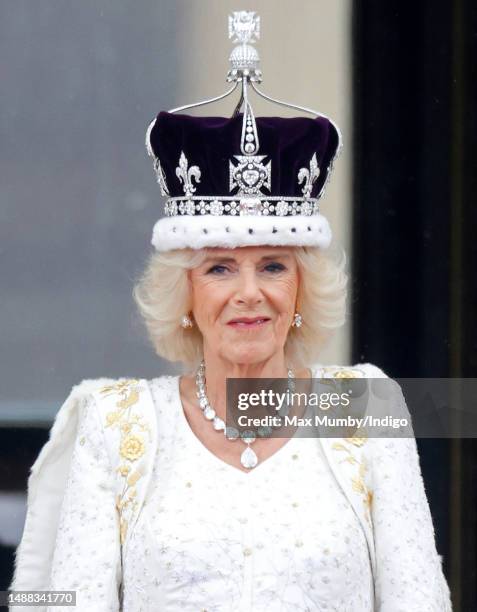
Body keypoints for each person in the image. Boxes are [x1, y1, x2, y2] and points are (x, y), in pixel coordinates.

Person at [9, 11, 452, 612]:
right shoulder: (116, 426)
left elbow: (419, 601)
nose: (249, 292)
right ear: (186, 294)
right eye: (219, 268)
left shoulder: (365, 409)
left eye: (273, 265)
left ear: (300, 290)